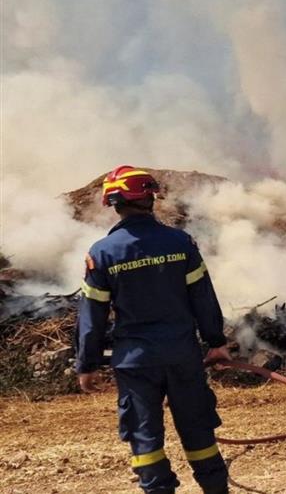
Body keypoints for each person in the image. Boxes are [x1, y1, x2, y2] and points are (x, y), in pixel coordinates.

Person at [76, 166, 231, 494]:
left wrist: (87, 364)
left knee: (145, 440)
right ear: (149, 197)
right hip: (182, 355)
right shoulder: (181, 242)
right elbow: (203, 298)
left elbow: (93, 317)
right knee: (198, 433)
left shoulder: (102, 254)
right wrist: (216, 343)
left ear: (114, 203)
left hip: (135, 362)